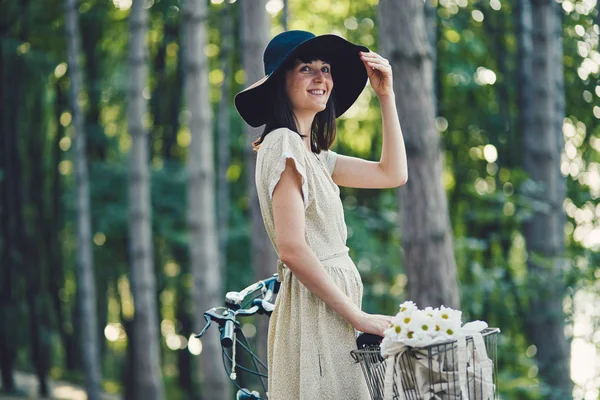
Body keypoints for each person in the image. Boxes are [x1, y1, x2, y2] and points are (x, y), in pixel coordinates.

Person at [234, 30, 408, 400]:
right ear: (281, 84)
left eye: (326, 69)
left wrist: (386, 96)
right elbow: (292, 250)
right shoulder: (281, 143)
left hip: (334, 309)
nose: (320, 77)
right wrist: (357, 317)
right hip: (317, 311)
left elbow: (392, 174)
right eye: (305, 69)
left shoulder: (315, 156)